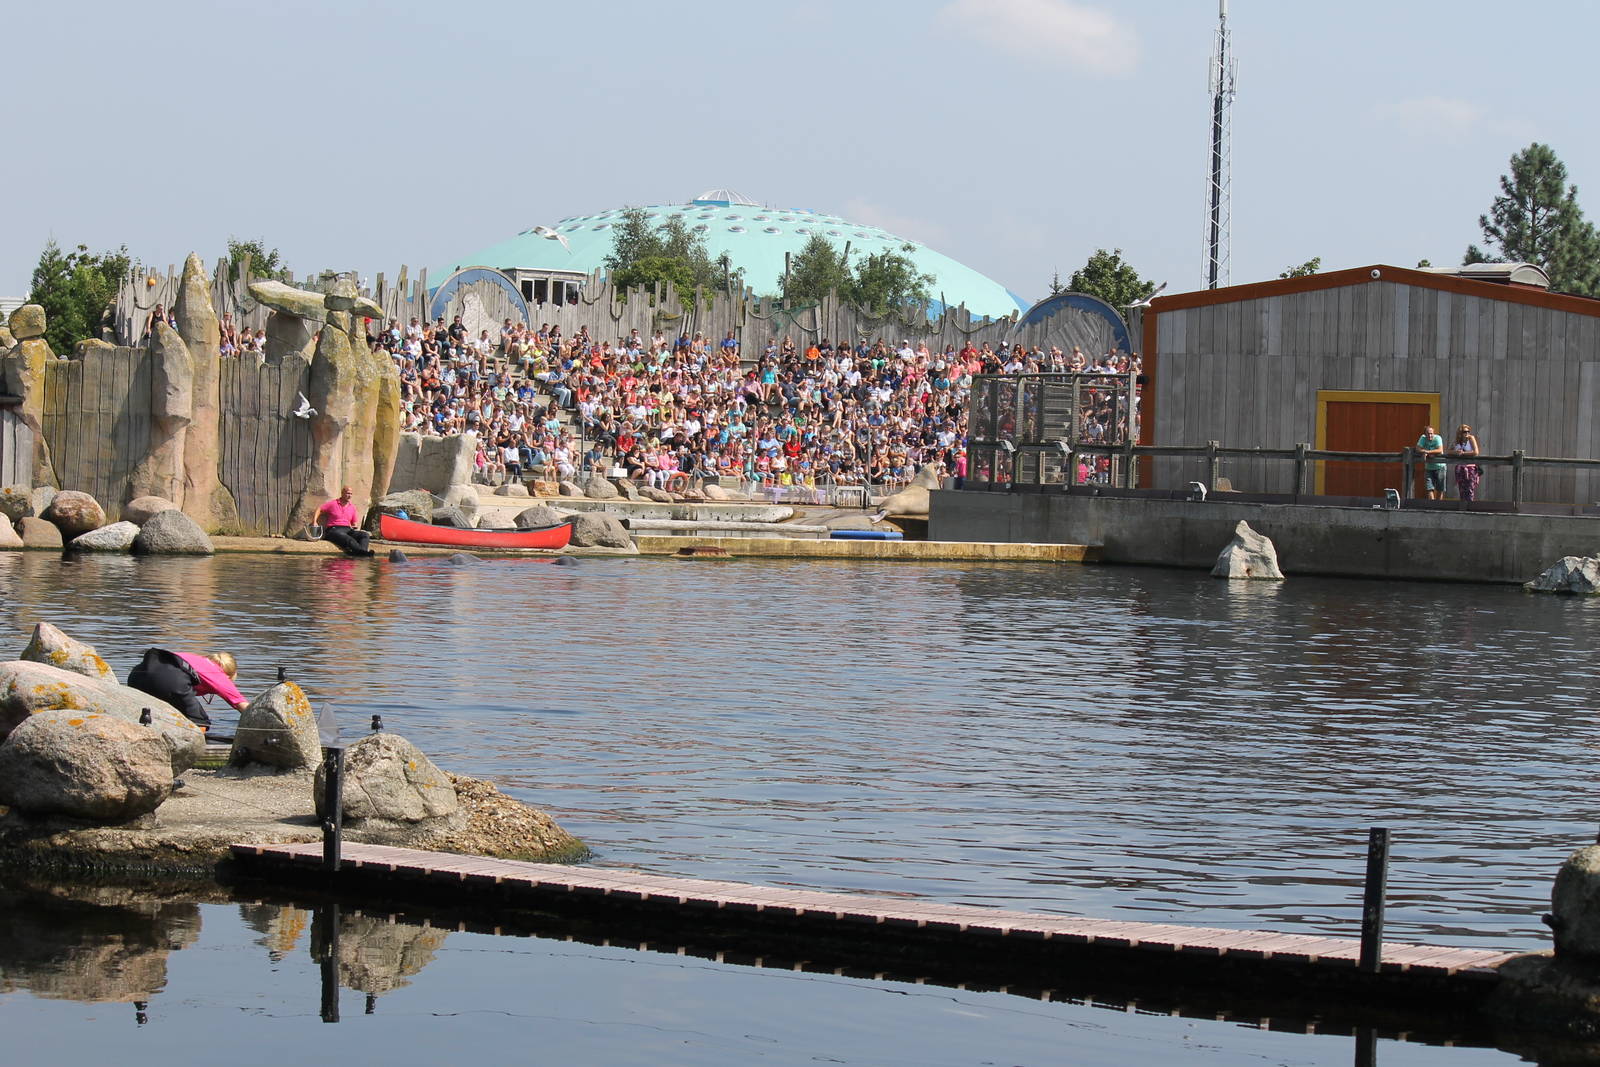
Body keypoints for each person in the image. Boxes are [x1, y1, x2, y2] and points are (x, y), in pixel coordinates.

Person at [127, 648, 247, 730]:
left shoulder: (195, 659)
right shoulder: (219, 675)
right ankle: (197, 750)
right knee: (200, 721)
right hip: (171, 680)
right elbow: (243, 706)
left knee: (148, 713)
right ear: (229, 675)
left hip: (137, 675)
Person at [316, 486, 374, 556]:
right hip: (333, 530)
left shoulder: (352, 507)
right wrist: (314, 521)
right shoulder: (333, 503)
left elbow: (354, 523)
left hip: (347, 529)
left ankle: (361, 553)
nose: (350, 496)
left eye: (351, 494)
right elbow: (320, 509)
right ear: (342, 493)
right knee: (348, 539)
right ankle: (363, 553)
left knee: (365, 535)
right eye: (348, 493)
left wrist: (354, 526)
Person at [1453, 424, 1482, 502]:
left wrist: (1463, 453)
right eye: (1465, 432)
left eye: (1468, 431)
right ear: (1460, 433)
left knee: (1470, 489)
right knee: (1462, 489)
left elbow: (1476, 452)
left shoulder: (1471, 438)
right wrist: (1455, 452)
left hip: (1470, 468)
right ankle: (1463, 507)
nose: (1467, 433)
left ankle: (1469, 508)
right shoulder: (1457, 441)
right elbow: (1448, 451)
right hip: (1460, 468)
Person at [1417, 424, 1446, 500]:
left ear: (1434, 433)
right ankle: (1432, 505)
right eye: (1428, 433)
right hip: (1429, 467)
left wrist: (1427, 452)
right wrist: (1427, 453)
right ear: (1425, 434)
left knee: (1440, 488)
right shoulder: (1422, 438)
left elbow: (1440, 450)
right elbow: (1418, 448)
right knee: (1429, 487)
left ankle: (1438, 506)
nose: (1430, 435)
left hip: (1440, 466)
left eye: (1431, 433)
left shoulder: (1438, 438)